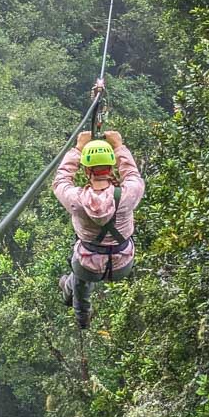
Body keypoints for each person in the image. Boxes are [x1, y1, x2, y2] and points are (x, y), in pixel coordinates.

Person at [52, 129, 145, 330]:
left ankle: (81, 318)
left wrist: (77, 149)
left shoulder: (76, 200)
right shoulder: (128, 195)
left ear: (86, 171)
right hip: (122, 264)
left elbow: (60, 181)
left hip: (88, 265)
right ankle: (68, 287)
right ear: (112, 169)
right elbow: (132, 174)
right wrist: (119, 146)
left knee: (80, 279)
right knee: (79, 271)